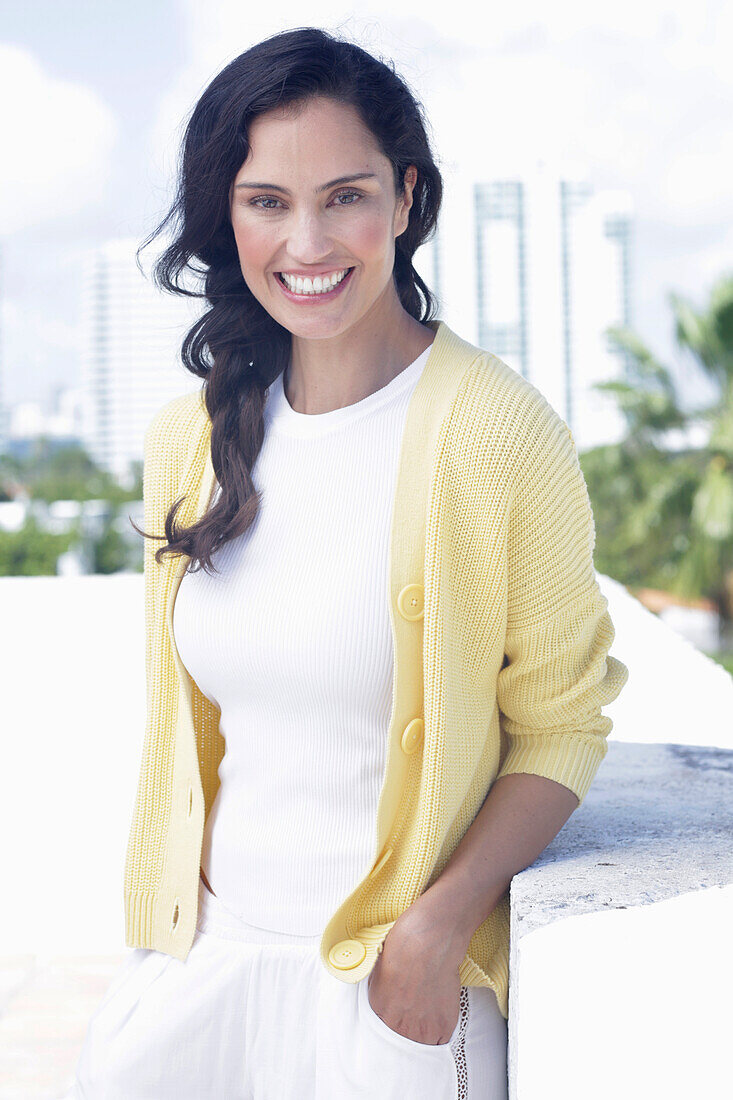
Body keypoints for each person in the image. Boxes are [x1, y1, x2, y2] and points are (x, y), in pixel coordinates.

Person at [61, 25, 628, 1100]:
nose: (308, 240)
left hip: (389, 994)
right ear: (225, 216)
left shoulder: (499, 432)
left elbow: (561, 723)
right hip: (201, 964)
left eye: (346, 194)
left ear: (406, 197)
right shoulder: (189, 437)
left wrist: (438, 925)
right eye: (266, 199)